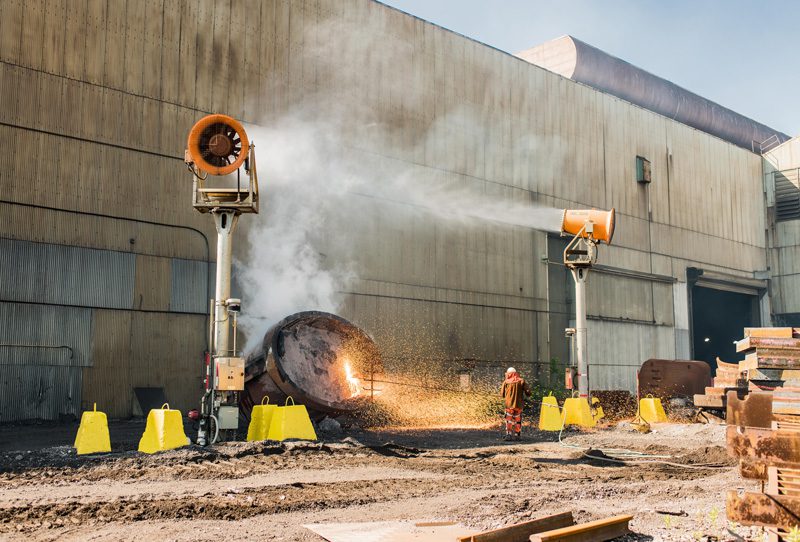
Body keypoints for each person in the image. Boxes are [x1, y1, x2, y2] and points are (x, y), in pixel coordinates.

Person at [500, 367, 531, 441]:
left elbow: (502, 394)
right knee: (518, 420)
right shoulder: (521, 381)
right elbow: (528, 391)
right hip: (518, 405)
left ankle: (508, 435)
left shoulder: (506, 382)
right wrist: (527, 394)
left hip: (509, 406)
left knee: (509, 420)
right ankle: (517, 435)